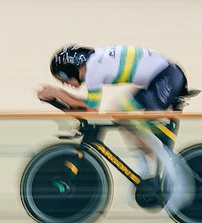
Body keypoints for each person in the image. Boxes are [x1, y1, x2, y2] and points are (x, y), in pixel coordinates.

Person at [37, 44, 193, 212]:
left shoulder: (93, 69)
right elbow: (87, 109)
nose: (65, 83)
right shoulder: (95, 63)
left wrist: (58, 94)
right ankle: (144, 172)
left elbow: (91, 110)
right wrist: (58, 97)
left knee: (142, 130)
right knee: (119, 115)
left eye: (62, 78)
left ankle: (179, 181)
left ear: (71, 67)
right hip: (163, 77)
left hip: (166, 77)